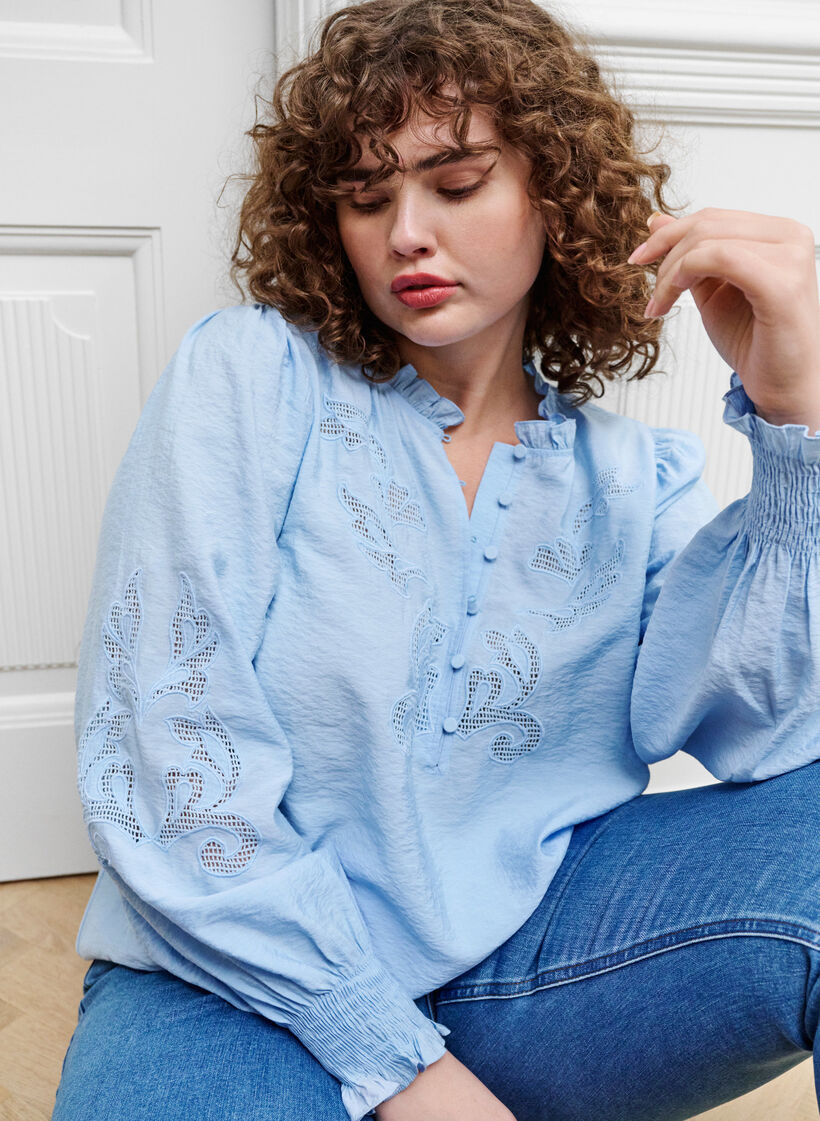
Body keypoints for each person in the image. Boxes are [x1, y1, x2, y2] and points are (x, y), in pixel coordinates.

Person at [52, 0, 820, 1119]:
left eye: (456, 183)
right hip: (226, 978)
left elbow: (769, 731)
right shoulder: (252, 377)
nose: (406, 232)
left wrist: (794, 420)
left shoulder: (633, 473)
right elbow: (165, 756)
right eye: (366, 197)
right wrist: (400, 1063)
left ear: (555, 193)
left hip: (537, 966)